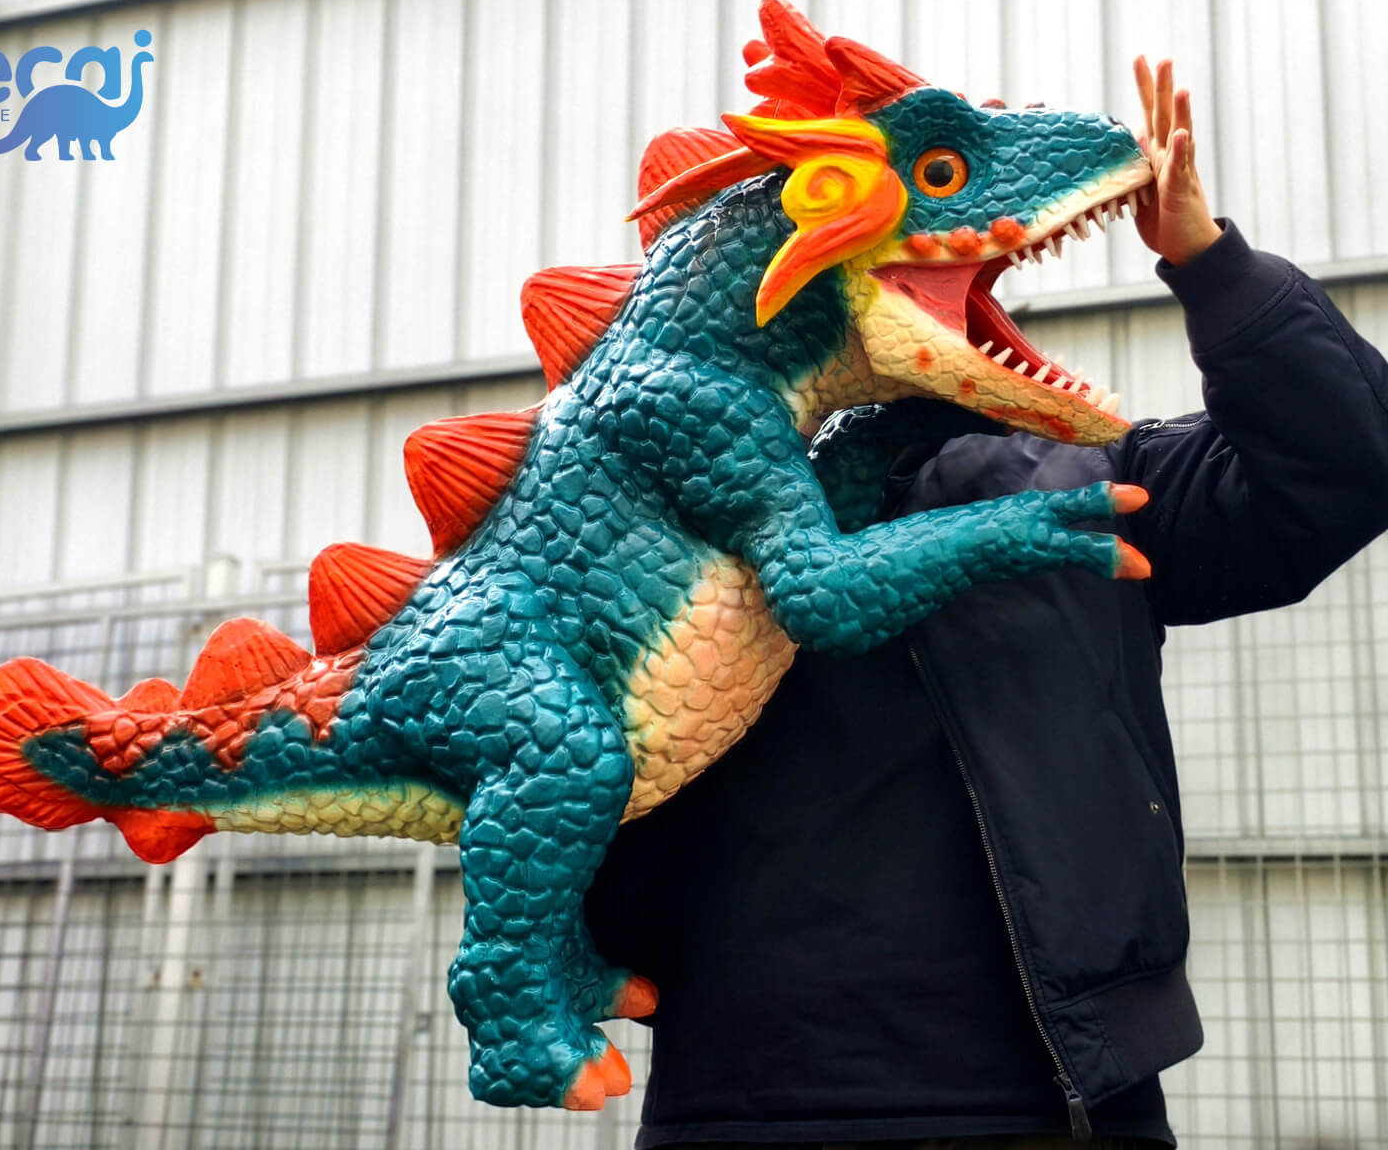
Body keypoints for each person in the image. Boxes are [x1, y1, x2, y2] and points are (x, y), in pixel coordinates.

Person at [584, 57, 1388, 1150]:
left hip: (1051, 1094)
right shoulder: (650, 519)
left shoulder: (1084, 483)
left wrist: (1211, 262)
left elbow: (1343, 466)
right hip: (736, 1098)